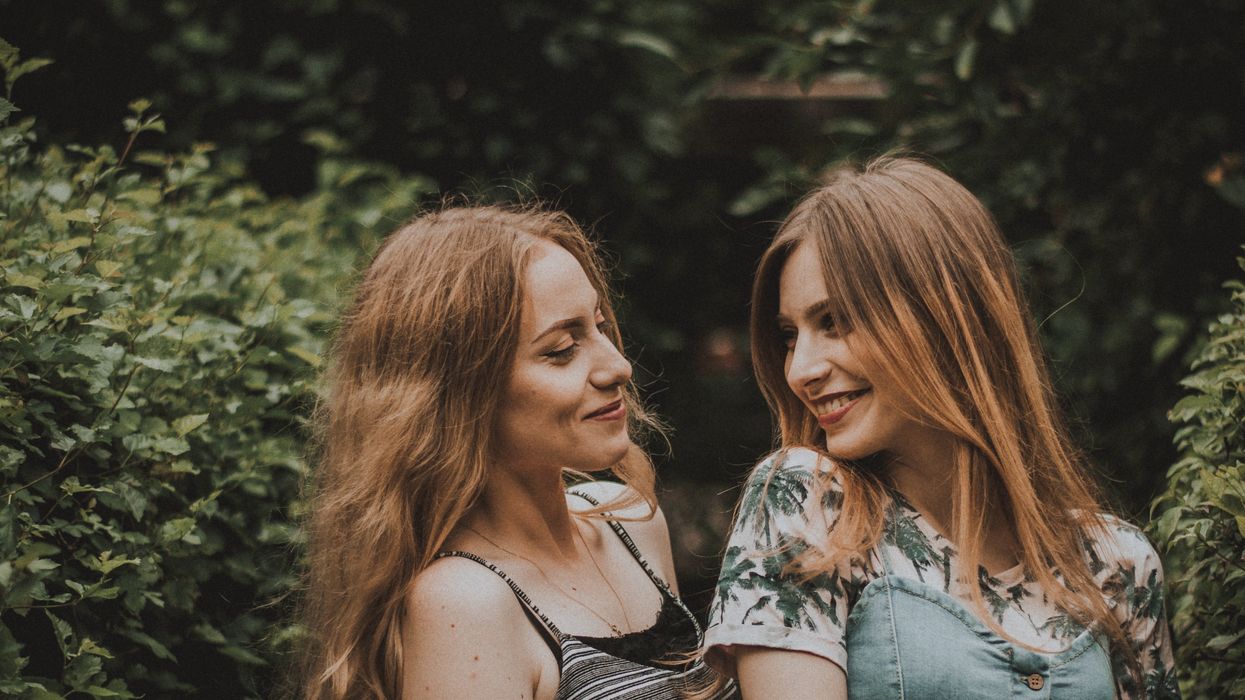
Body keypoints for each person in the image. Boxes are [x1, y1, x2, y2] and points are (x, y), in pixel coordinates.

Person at [703, 156, 1180, 699]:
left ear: (942, 318)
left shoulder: (1116, 564)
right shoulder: (809, 506)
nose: (800, 370)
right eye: (790, 336)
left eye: (834, 321)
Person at [300, 205, 734, 699]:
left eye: (599, 326)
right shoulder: (463, 603)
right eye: (561, 349)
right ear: (457, 392)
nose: (617, 367)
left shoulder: (630, 523)